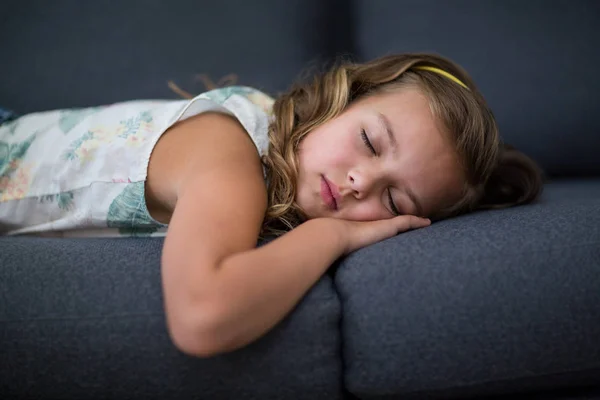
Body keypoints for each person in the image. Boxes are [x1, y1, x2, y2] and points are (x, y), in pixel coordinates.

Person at [0, 53, 543, 357]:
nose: (360, 182)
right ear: (343, 98)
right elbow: (201, 317)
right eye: (371, 143)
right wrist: (330, 236)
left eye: (393, 198)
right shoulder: (231, 151)